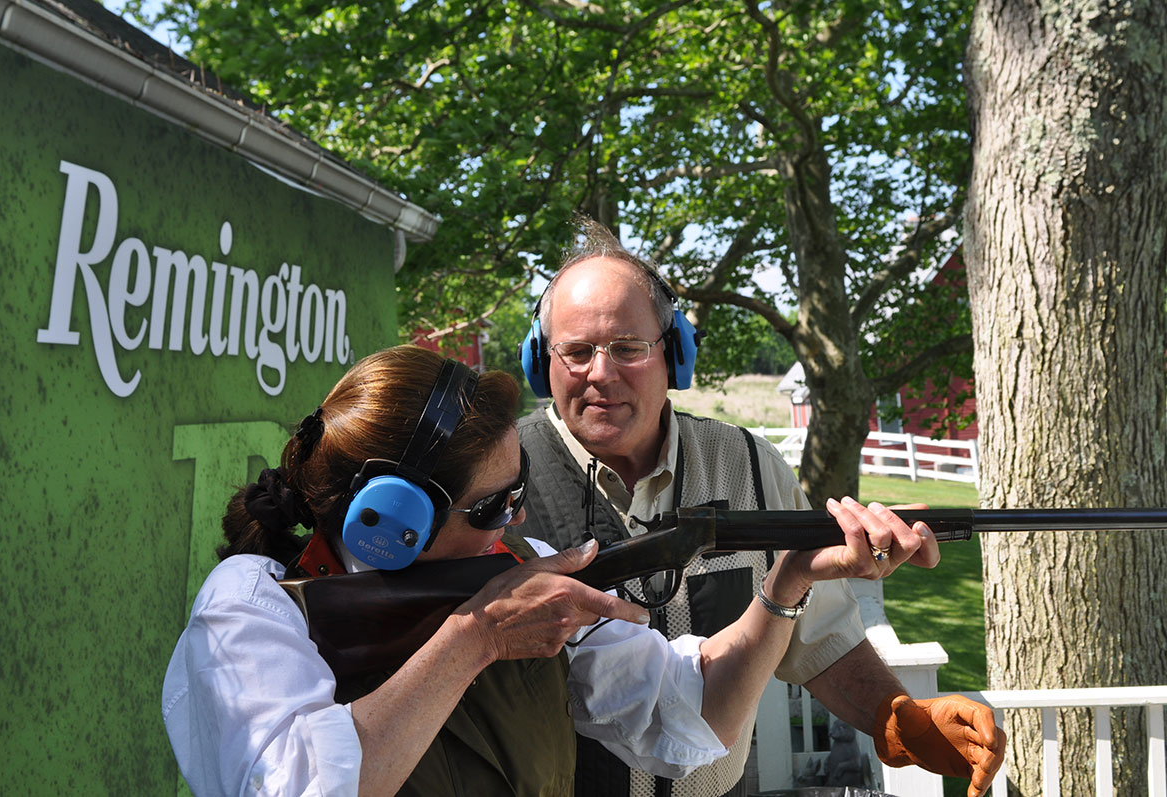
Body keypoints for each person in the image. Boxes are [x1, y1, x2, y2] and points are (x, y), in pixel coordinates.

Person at [162, 344, 1002, 796]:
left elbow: (689, 710)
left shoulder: (511, 570)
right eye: (492, 507)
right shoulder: (251, 609)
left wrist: (785, 585)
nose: (518, 520)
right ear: (388, 529)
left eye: (518, 489)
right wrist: (472, 641)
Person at [515, 219, 1006, 797]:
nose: (601, 373)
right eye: (575, 352)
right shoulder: (501, 481)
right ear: (541, 362)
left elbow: (820, 637)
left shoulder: (748, 465)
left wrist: (894, 716)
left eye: (628, 348)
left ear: (674, 356)